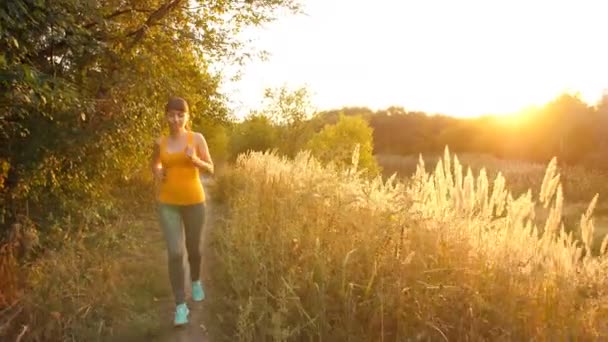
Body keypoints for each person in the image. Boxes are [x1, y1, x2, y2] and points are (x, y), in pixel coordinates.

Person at [149, 96, 214, 326]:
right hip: (168, 203)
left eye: (180, 114)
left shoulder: (196, 138)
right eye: (171, 114)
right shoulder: (161, 142)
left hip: (195, 202)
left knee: (193, 249)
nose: (175, 119)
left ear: (187, 116)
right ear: (166, 116)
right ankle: (180, 305)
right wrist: (157, 172)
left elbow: (210, 167)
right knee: (176, 253)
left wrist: (195, 160)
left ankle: (195, 280)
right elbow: (155, 163)